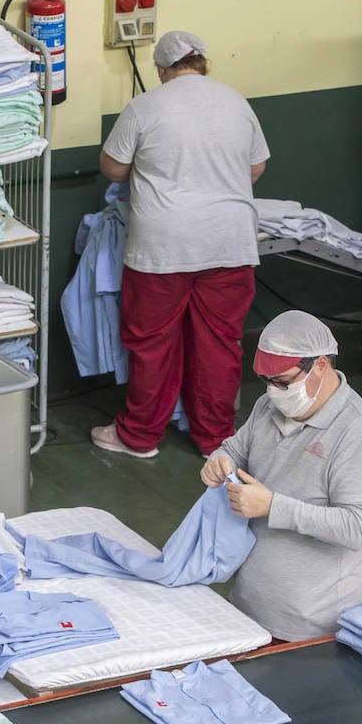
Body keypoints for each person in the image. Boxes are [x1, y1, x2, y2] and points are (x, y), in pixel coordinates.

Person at [91, 30, 271, 459]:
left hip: (162, 248)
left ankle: (139, 436)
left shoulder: (145, 106)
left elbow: (113, 169)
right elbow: (256, 167)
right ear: (204, 64)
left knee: (152, 343)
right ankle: (216, 441)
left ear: (161, 70)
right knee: (220, 342)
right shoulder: (236, 102)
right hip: (229, 243)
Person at [200, 311, 362, 643]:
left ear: (321, 365)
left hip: (311, 628)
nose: (274, 392)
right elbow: (235, 449)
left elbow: (356, 528)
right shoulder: (268, 406)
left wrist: (273, 507)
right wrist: (220, 460)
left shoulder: (359, 433)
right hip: (248, 607)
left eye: (284, 382)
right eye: (267, 382)